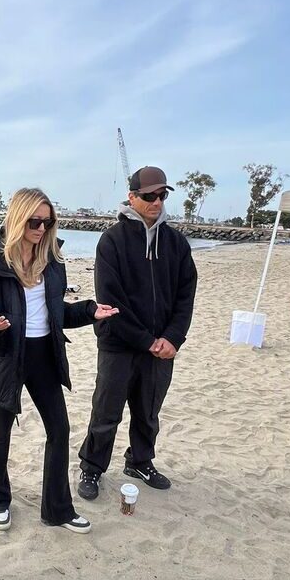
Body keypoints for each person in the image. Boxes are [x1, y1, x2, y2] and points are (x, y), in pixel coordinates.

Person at [0, 188, 118, 534]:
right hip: (6, 355)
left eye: (47, 222)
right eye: (34, 221)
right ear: (18, 220)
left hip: (44, 353)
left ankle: (57, 509)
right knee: (0, 430)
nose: (41, 228)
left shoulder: (53, 262)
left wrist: (91, 310)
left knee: (59, 429)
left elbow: (56, 312)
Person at [77, 166, 197, 500]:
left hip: (162, 347)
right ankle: (92, 467)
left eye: (162, 195)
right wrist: (146, 340)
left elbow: (186, 294)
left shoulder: (175, 243)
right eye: (149, 196)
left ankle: (140, 461)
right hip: (120, 344)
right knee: (107, 410)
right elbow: (110, 299)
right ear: (132, 197)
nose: (157, 202)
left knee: (148, 411)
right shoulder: (112, 241)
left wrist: (173, 338)